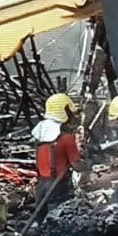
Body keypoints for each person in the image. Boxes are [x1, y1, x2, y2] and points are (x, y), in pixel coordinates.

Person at [31, 93, 88, 225]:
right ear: (65, 112)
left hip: (41, 185)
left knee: (41, 220)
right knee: (56, 221)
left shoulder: (40, 135)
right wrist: (89, 165)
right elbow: (76, 165)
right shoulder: (66, 138)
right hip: (58, 185)